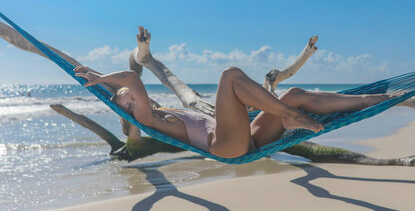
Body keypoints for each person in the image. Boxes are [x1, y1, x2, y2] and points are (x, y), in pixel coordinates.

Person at [74, 66, 397, 158]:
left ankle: (373, 98)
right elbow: (131, 79)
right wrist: (106, 80)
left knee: (294, 94)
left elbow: (124, 86)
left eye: (128, 98)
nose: (130, 100)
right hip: (226, 146)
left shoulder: (160, 109)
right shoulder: (145, 118)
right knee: (230, 76)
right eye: (126, 104)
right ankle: (291, 117)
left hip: (245, 138)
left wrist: (96, 76)